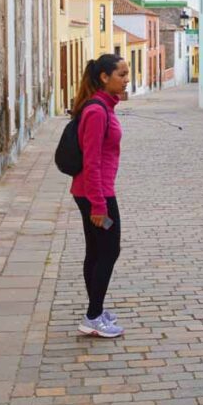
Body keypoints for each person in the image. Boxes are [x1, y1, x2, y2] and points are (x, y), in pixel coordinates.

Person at [71, 54, 130, 338]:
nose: (127, 79)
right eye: (121, 74)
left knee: (97, 251)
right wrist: (98, 206)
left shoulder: (104, 105)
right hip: (97, 196)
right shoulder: (96, 112)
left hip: (95, 193)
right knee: (108, 250)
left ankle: (96, 309)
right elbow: (90, 161)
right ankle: (93, 316)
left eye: (127, 73)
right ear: (104, 78)